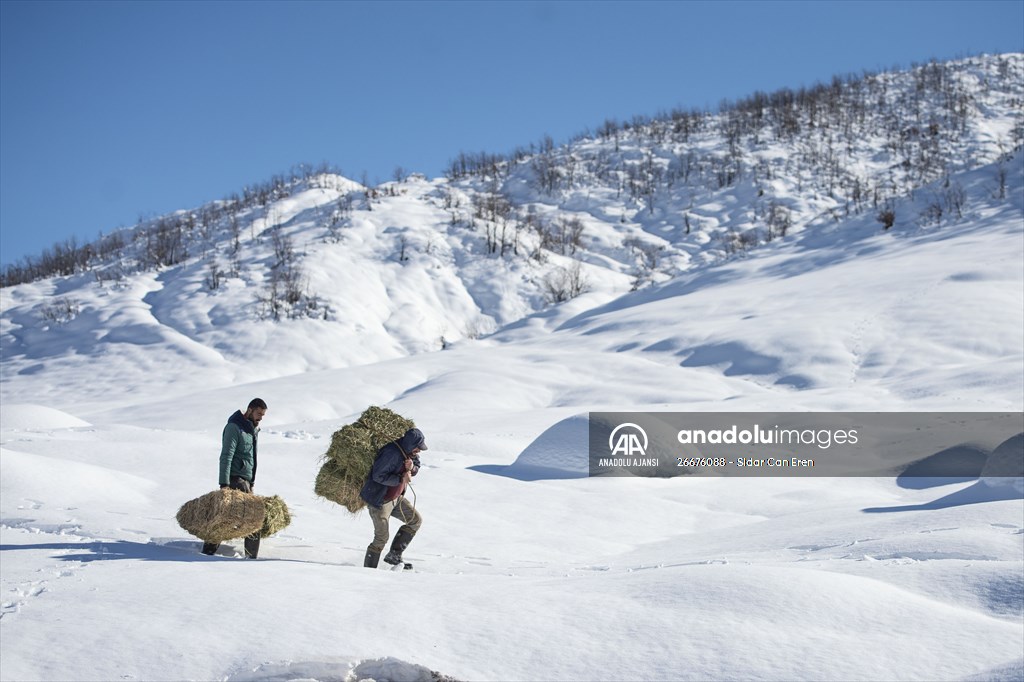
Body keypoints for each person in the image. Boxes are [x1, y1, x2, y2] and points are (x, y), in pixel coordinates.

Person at [201, 398, 268, 558]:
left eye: (263, 415)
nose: (260, 417)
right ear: (250, 410)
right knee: (254, 516)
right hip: (234, 480)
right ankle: (251, 557)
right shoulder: (234, 427)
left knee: (226, 516)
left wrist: (251, 483)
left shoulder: (252, 429)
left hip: (245, 481)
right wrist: (224, 483)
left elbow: (252, 458)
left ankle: (209, 549)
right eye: (259, 413)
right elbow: (226, 456)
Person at [359, 427, 427, 569]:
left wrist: (412, 467)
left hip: (396, 499)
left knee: (415, 520)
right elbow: (377, 476)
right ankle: (368, 572)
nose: (419, 451)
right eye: (418, 447)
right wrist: (401, 479)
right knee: (381, 538)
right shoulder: (391, 453)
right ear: (410, 444)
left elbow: (417, 465)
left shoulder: (410, 452)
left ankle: (394, 555)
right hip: (380, 501)